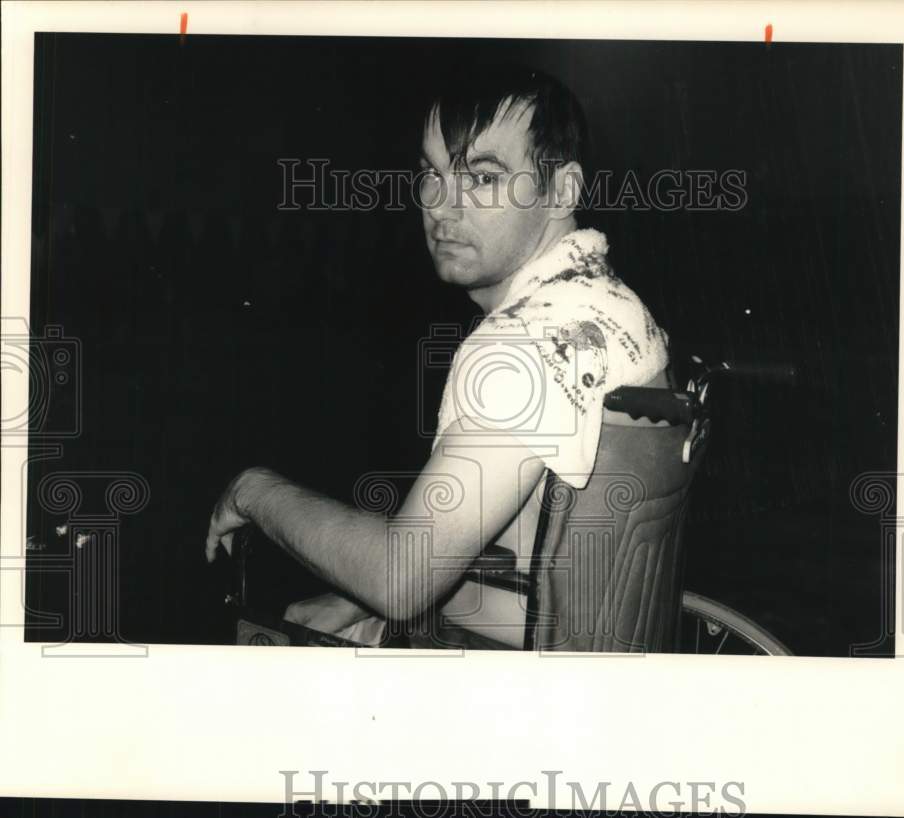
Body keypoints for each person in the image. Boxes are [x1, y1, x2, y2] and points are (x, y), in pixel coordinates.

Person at [205, 64, 669, 646]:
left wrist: (252, 490)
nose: (441, 208)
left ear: (563, 191)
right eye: (431, 175)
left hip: (498, 669)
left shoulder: (526, 346)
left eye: (484, 177)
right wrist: (356, 601)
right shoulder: (612, 306)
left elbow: (401, 580)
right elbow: (515, 531)